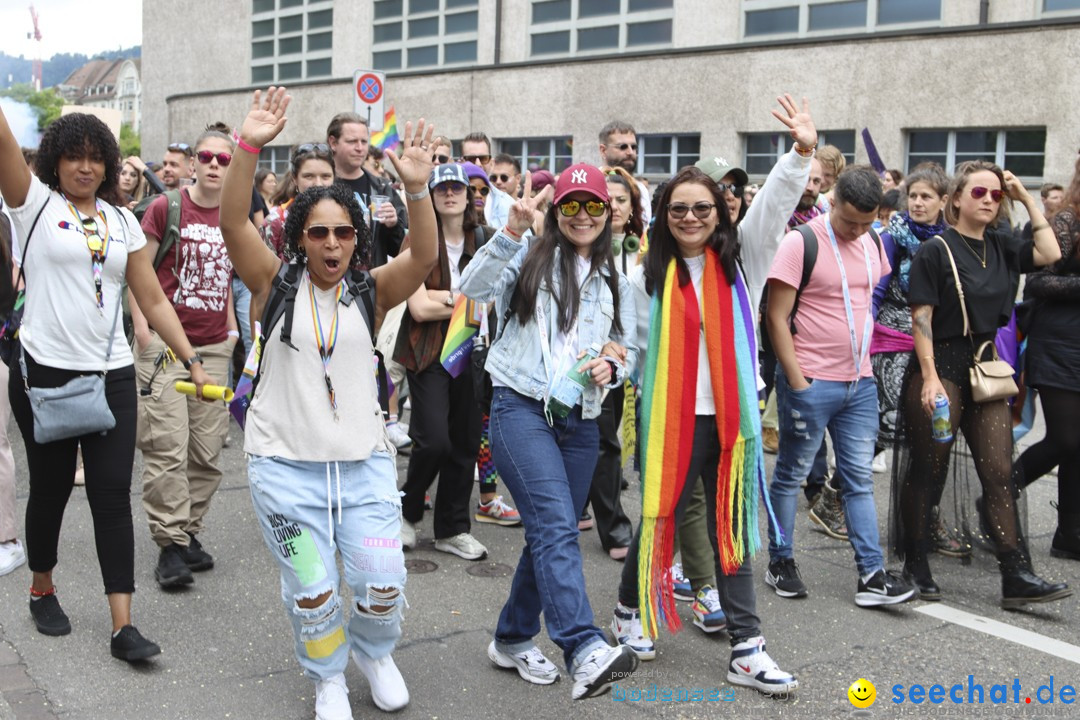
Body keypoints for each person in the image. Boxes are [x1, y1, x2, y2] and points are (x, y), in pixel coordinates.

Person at [221, 87, 438, 720]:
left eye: (344, 232)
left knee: (381, 584)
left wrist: (418, 189)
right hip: (283, 473)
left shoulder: (372, 290)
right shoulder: (274, 282)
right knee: (312, 591)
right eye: (319, 232)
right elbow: (234, 221)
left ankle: (373, 653)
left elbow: (423, 256)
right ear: (300, 237)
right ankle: (328, 678)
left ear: (357, 237)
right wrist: (248, 146)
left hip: (363, 469)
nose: (333, 243)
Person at [611, 95, 813, 695]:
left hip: (730, 422)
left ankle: (746, 648)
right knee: (656, 520)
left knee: (731, 532)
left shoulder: (742, 260)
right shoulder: (645, 275)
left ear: (721, 215)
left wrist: (801, 151)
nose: (693, 216)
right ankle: (631, 612)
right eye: (680, 209)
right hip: (667, 421)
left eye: (703, 207)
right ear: (663, 215)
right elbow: (625, 343)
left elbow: (776, 206)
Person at [0, 108, 212, 661]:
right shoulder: (33, 205)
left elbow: (153, 298)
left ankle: (123, 627)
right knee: (48, 492)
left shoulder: (121, 222)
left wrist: (188, 357)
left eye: (97, 157)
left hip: (113, 372)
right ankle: (42, 588)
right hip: (45, 372)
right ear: (55, 160)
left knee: (112, 497)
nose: (87, 167)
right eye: (75, 156)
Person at [461, 164, 639, 699]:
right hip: (520, 408)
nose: (582, 216)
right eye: (571, 206)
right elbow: (471, 287)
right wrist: (512, 230)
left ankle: (513, 637)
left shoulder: (616, 281)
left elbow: (626, 348)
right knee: (559, 524)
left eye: (593, 206)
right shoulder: (527, 257)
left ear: (609, 214)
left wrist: (615, 365)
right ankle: (583, 648)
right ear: (556, 212)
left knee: (548, 528)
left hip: (581, 418)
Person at [897, 160, 1070, 608]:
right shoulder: (937, 250)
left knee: (997, 473)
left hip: (985, 368)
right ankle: (915, 562)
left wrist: (1027, 198)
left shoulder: (1003, 245)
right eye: (979, 193)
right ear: (955, 199)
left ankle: (1015, 575)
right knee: (927, 468)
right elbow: (922, 318)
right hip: (943, 366)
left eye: (996, 195)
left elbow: (1050, 254)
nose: (989, 201)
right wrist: (930, 376)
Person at [766, 165, 916, 608]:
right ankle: (781, 561)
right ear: (833, 202)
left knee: (858, 480)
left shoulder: (872, 241)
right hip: (811, 379)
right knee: (792, 473)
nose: (858, 230)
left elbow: (866, 301)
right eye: (851, 221)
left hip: (859, 383)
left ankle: (871, 575)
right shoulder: (801, 242)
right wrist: (798, 381)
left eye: (868, 223)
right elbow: (775, 316)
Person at [132, 128, 240, 589]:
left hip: (215, 346)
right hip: (165, 348)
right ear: (193, 162)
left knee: (206, 453)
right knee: (166, 448)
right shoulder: (166, 207)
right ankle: (170, 545)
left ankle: (189, 532)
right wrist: (142, 330)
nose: (215, 164)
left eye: (224, 158)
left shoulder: (236, 218)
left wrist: (233, 332)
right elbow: (139, 274)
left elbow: (233, 278)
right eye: (207, 156)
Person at [395, 163, 501, 559]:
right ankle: (406, 512)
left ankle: (452, 528)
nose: (450, 194)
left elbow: (494, 299)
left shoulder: (485, 239)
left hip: (473, 352)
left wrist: (445, 297)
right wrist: (468, 301)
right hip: (428, 352)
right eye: (441, 189)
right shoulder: (417, 239)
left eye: (457, 187)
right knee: (434, 440)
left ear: (469, 195)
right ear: (432, 196)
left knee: (466, 442)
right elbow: (419, 309)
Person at [868, 163, 958, 556]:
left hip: (932, 347)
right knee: (885, 431)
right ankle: (834, 497)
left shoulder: (950, 242)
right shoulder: (891, 237)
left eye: (927, 197)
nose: (918, 203)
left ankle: (927, 515)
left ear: (943, 201)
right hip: (891, 343)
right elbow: (875, 290)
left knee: (930, 437)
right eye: (914, 196)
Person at [1011, 161, 1080, 558]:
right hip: (1059, 342)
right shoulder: (1067, 218)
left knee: (1078, 445)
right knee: (1064, 438)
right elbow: (1037, 280)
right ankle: (997, 497)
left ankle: (1069, 535)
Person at [327, 112, 408, 268]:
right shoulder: (323, 186)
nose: (360, 148)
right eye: (352, 141)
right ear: (333, 143)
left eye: (364, 142)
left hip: (370, 284)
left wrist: (394, 225)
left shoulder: (382, 188)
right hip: (330, 280)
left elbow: (400, 250)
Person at [263, 143, 336, 259]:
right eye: (309, 176)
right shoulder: (276, 221)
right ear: (294, 179)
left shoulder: (346, 218)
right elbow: (263, 272)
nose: (318, 183)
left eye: (325, 176)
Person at [599, 121, 651, 227]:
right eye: (623, 147)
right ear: (603, 150)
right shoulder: (592, 184)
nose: (630, 152)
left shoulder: (641, 189)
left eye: (633, 147)